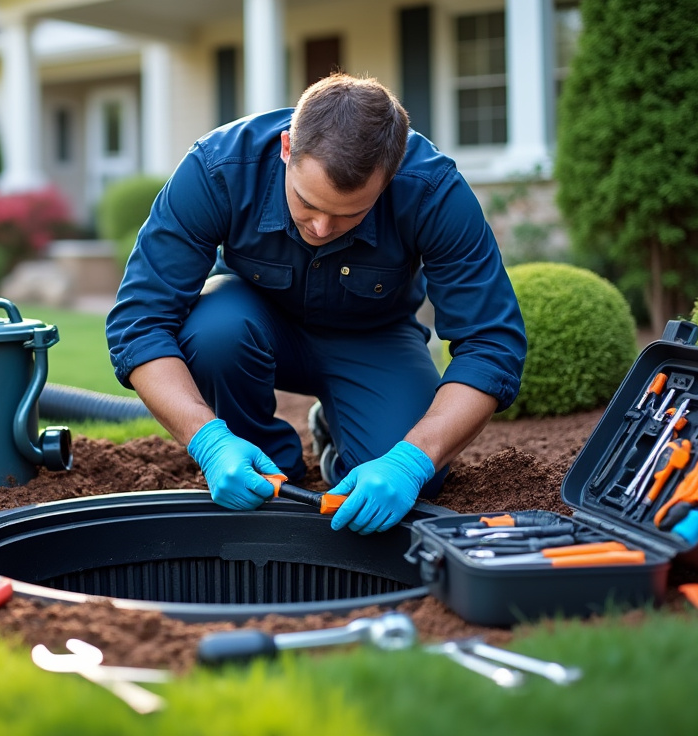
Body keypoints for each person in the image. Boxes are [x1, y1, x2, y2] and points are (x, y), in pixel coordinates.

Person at [105, 73, 526, 535]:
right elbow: (139, 323)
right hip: (251, 325)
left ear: (390, 177)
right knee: (213, 331)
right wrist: (207, 441)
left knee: (422, 480)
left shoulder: (433, 189)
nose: (322, 227)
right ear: (287, 147)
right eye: (306, 203)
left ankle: (336, 434)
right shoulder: (219, 168)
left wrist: (410, 462)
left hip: (374, 337)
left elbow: (490, 345)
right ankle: (263, 462)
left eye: (349, 213)